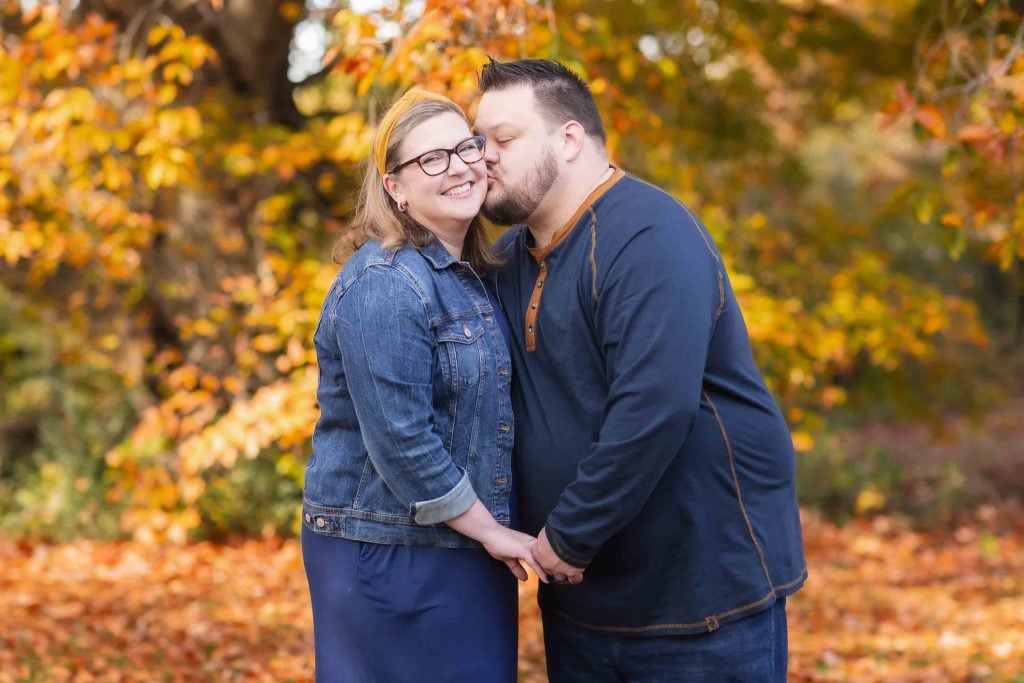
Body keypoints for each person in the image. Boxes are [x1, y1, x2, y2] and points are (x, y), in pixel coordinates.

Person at [474, 58, 807, 681]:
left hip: (700, 598)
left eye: (503, 139)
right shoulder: (508, 258)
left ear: (569, 140)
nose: (483, 156)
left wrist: (569, 535)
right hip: (584, 600)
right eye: (477, 140)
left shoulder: (649, 234)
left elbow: (654, 409)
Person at [301, 88, 545, 683]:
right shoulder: (386, 284)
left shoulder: (474, 277)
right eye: (431, 159)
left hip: (461, 543)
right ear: (396, 188)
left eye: (465, 147)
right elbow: (402, 441)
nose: (459, 165)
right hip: (388, 549)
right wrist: (493, 533)